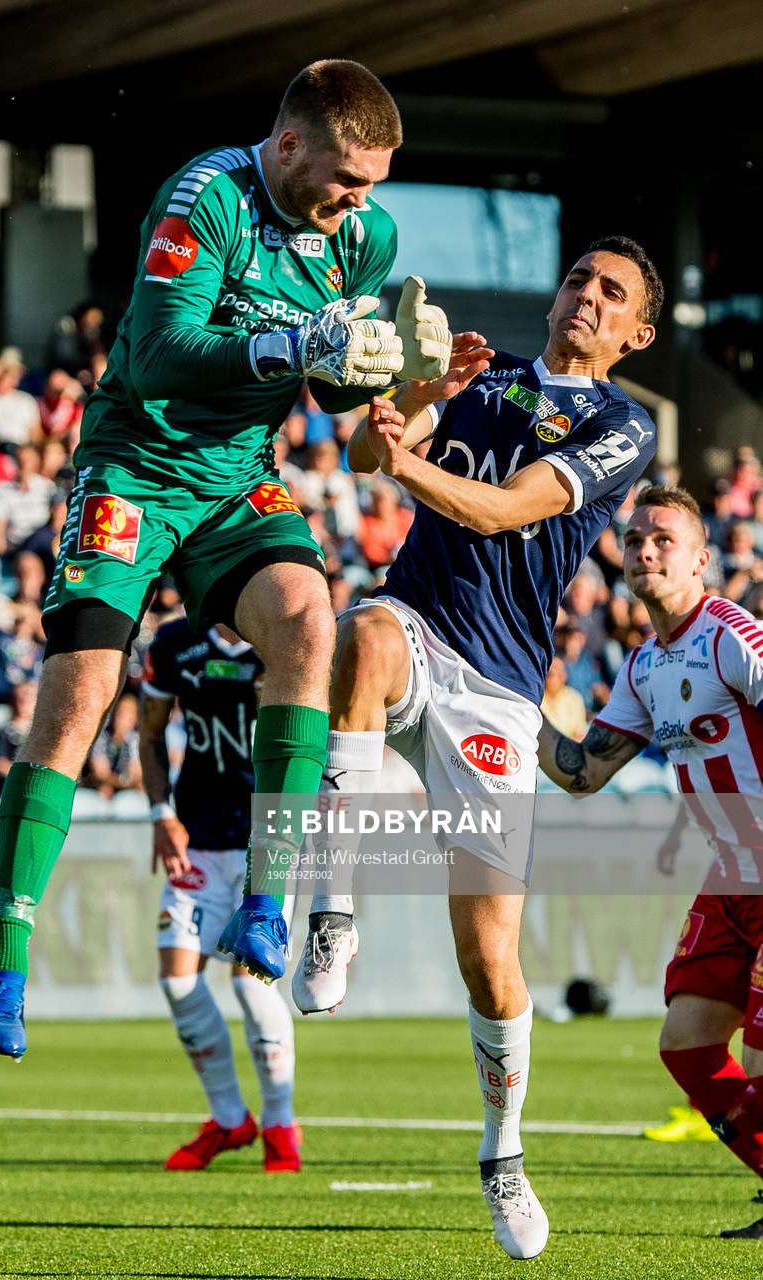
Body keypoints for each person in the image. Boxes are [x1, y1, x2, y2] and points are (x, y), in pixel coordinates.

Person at [0, 59, 450, 1061]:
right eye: (346, 179)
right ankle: (4, 956)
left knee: (311, 622)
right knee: (84, 692)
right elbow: (155, 350)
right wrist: (289, 349)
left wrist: (392, 377)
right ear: (286, 147)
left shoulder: (365, 238)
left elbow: (334, 398)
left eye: (373, 185)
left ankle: (268, 899)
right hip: (133, 467)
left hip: (237, 477)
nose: (360, 203)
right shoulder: (206, 196)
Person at [289, 235, 664, 1261]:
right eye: (579, 279)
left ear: (637, 331)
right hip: (414, 625)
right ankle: (332, 909)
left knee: (489, 960)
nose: (586, 294)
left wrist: (407, 453)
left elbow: (506, 510)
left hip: (497, 691)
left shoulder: (620, 426)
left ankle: (502, 1155)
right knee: (358, 629)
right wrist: (410, 397)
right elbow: (367, 457)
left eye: (610, 292)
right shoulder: (482, 376)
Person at [538, 485, 763, 1240]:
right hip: (731, 878)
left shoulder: (733, 635)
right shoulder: (642, 668)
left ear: (702, 559)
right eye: (633, 540)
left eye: (663, 538)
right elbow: (580, 773)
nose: (643, 550)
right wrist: (509, 705)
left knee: (761, 1061)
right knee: (687, 1043)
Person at [140, 617, 300, 1172]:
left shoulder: (283, 638)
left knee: (251, 986)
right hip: (199, 840)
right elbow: (150, 732)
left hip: (268, 840)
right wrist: (161, 813)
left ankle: (281, 1122)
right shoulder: (174, 644)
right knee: (177, 979)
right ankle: (231, 1119)